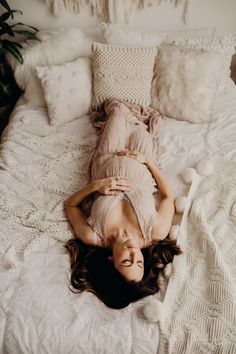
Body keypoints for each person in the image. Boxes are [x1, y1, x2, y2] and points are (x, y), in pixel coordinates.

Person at [64, 99, 181, 309]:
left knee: (117, 110)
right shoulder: (155, 232)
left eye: (127, 261)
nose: (134, 254)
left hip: (106, 159)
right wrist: (147, 161)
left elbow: (70, 205)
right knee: (139, 126)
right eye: (139, 262)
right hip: (140, 159)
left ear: (111, 261)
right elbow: (169, 197)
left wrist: (96, 186)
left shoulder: (93, 235)